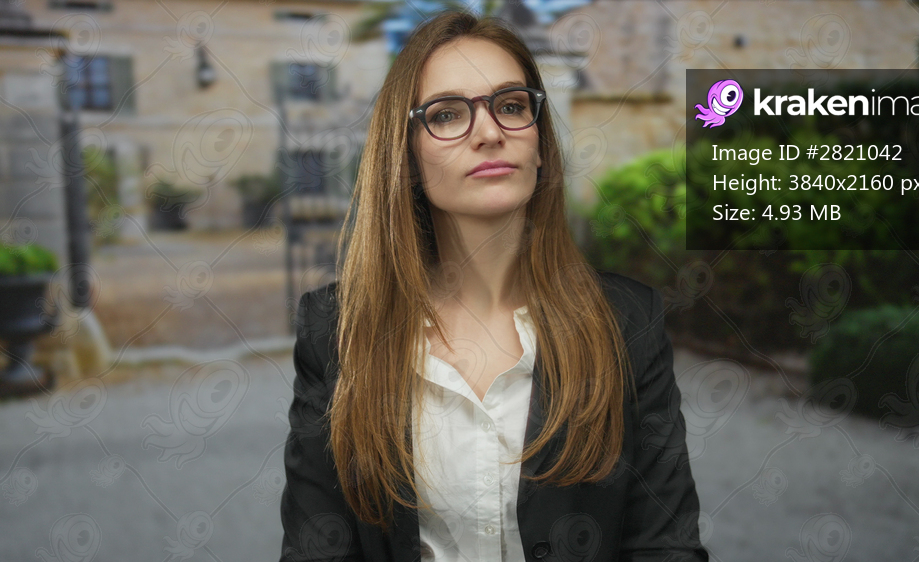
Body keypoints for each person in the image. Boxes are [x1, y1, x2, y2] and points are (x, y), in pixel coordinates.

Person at [280, 9, 709, 562]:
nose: (489, 133)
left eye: (510, 106)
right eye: (447, 114)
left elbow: (666, 548)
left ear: (539, 142)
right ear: (405, 154)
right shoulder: (335, 330)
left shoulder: (629, 321)